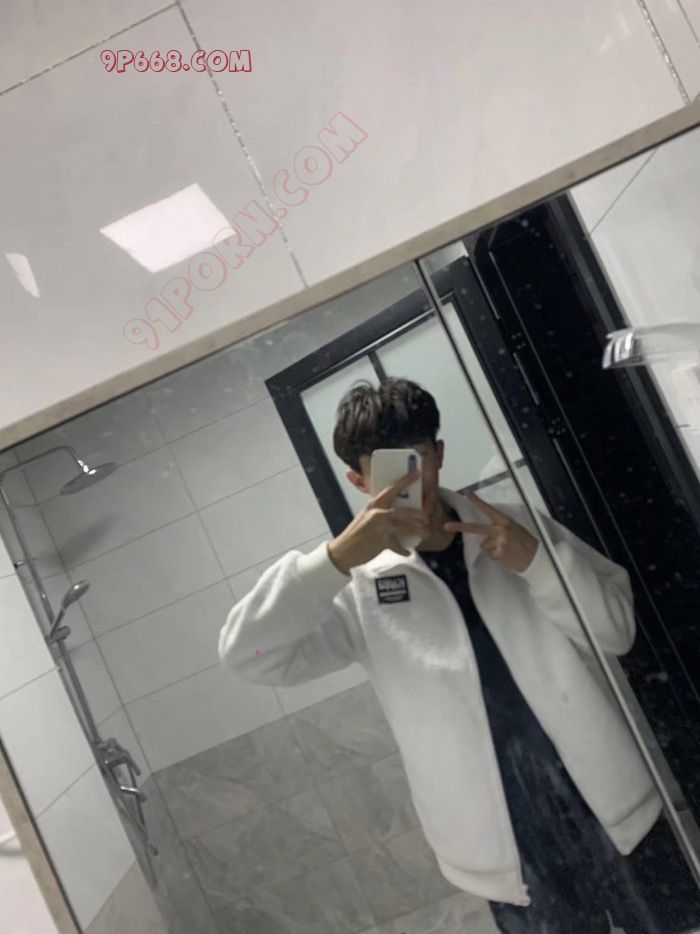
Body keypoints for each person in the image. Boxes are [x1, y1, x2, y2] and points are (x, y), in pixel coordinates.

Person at [219, 377, 700, 932]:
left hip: (620, 813)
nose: (412, 482)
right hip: (506, 855)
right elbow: (249, 655)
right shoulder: (356, 590)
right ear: (358, 480)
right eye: (390, 469)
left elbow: (615, 634)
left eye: (419, 458)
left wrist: (537, 564)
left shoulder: (516, 525)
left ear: (440, 454)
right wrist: (331, 562)